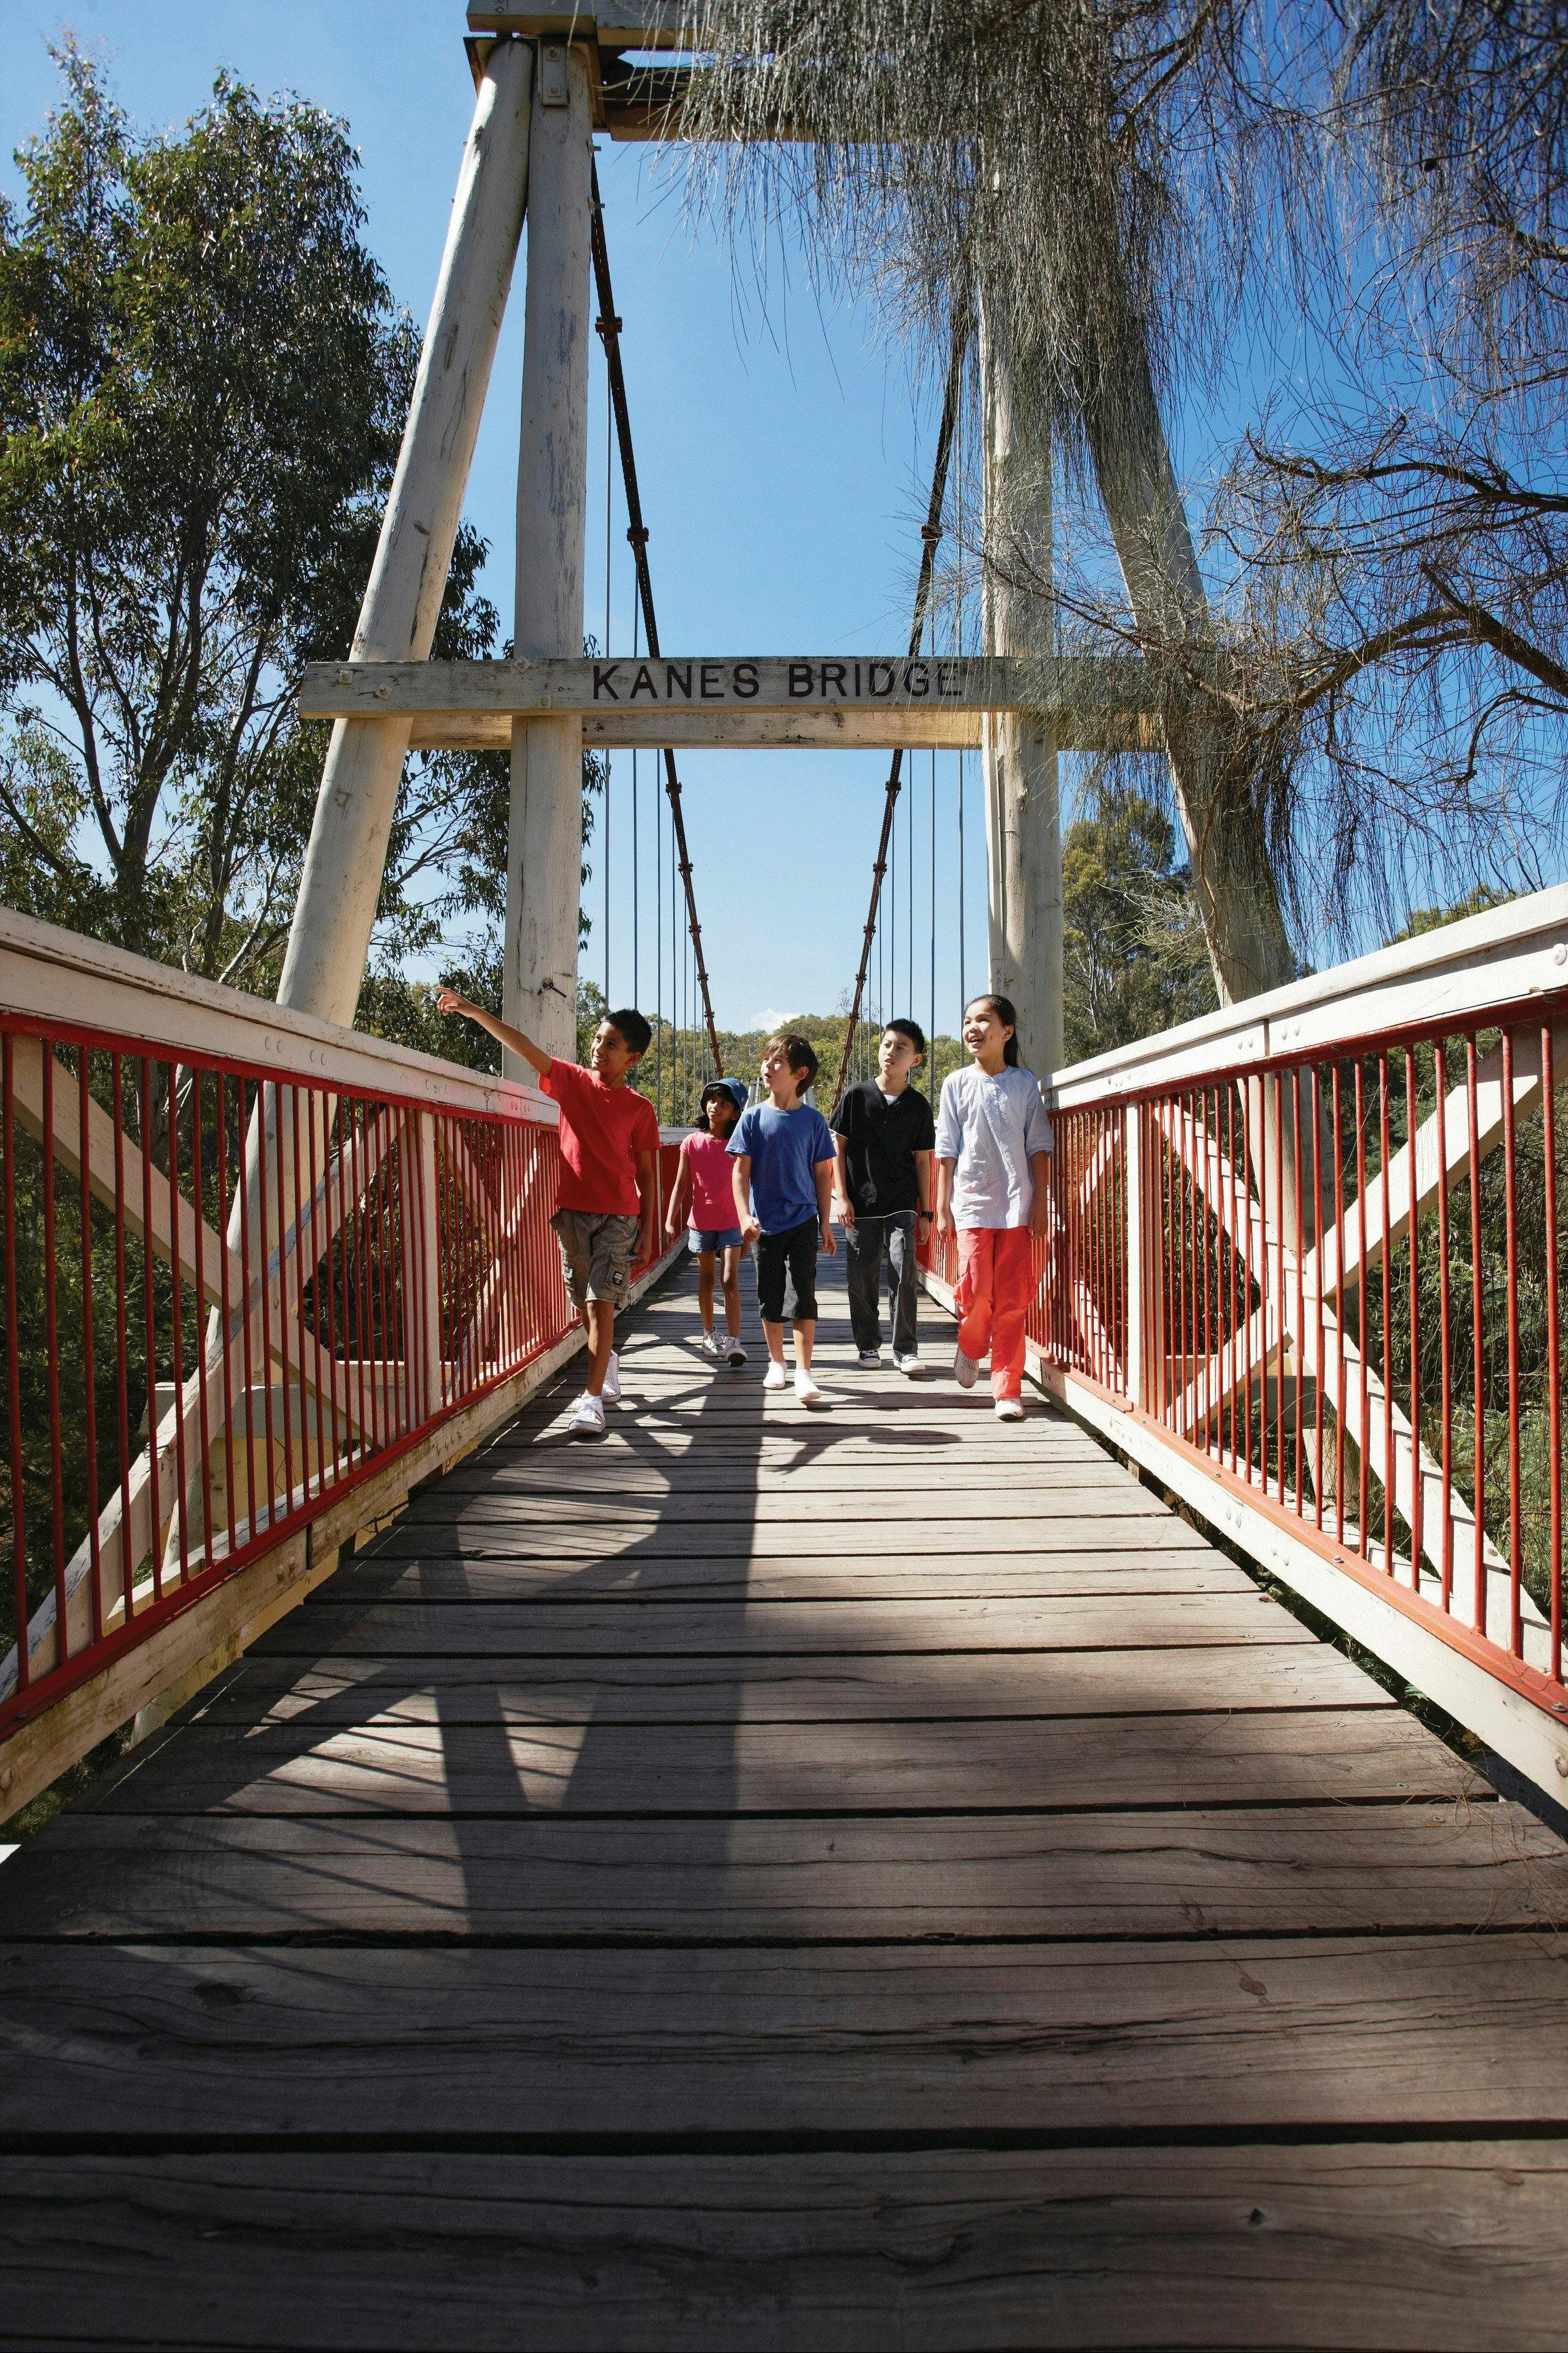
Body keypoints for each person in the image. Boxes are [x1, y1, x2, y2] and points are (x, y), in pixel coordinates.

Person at [437, 991, 659, 1438]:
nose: (598, 1047)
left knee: (600, 1306)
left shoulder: (640, 1109)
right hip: (573, 1214)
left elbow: (648, 1173)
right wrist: (476, 1011)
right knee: (583, 1305)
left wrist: (649, 1227)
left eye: (611, 1043)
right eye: (597, 1038)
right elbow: (523, 1046)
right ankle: (606, 1358)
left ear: (632, 1058)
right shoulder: (572, 1081)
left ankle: (592, 1400)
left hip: (619, 1217)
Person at [933, 991, 1053, 1422]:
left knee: (1013, 1301)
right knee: (978, 1291)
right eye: (968, 1021)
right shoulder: (955, 1083)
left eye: (983, 1020)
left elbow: (1038, 1146)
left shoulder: (1024, 1084)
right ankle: (970, 1344)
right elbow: (945, 1149)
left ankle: (1007, 1389)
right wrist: (942, 1205)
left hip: (1017, 1206)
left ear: (1007, 1030)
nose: (973, 1028)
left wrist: (1041, 1201)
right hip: (971, 1203)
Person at [729, 1032, 837, 1408]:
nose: (767, 1068)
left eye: (777, 1062)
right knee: (769, 1294)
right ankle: (777, 1362)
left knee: (803, 1293)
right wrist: (744, 1215)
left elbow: (823, 1174)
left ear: (799, 1073)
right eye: (766, 1060)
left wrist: (825, 1222)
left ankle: (804, 1371)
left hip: (804, 1220)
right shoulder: (752, 1118)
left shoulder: (813, 1121)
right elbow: (740, 1174)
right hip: (765, 1224)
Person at [830, 1019, 936, 1375]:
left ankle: (905, 1349)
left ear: (916, 1060)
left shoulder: (919, 1106)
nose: (891, 1052)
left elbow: (923, 1160)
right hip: (861, 1203)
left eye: (901, 1047)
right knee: (861, 1278)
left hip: (902, 1203)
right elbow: (837, 1148)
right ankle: (868, 1346)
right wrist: (840, 1197)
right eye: (887, 1044)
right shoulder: (856, 1096)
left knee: (904, 1272)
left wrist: (928, 1210)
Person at [666, 1077, 750, 1366]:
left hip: (731, 1222)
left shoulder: (740, 1144)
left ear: (736, 1112)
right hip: (700, 1222)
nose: (716, 1107)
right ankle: (709, 1333)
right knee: (707, 1279)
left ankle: (735, 1341)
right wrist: (669, 1220)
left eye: (724, 1103)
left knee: (729, 1279)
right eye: (712, 1100)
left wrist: (749, 1223)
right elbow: (680, 1184)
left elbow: (751, 1184)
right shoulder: (692, 1142)